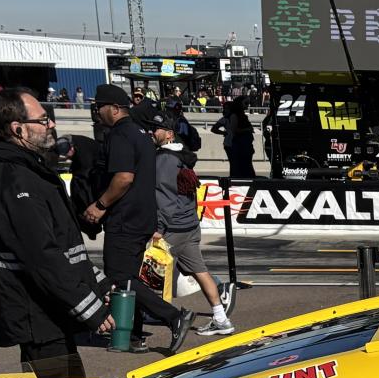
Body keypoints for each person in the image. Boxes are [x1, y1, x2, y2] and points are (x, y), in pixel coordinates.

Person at [0, 87, 112, 378]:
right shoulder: (15, 183)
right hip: (37, 319)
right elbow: (43, 257)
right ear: (18, 129)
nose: (51, 125)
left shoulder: (34, 173)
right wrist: (90, 307)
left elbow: (65, 248)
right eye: (43, 120)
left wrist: (99, 284)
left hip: (52, 314)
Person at [86, 87, 191, 353]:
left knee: (119, 277)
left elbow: (123, 178)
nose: (96, 112)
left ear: (114, 108)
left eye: (99, 106)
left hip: (125, 218)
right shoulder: (142, 136)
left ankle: (173, 317)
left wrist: (100, 206)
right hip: (142, 218)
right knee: (131, 279)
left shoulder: (120, 135)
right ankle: (133, 336)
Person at [149, 116, 235, 338]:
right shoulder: (182, 157)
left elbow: (165, 196)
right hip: (189, 226)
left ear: (169, 134)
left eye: (157, 129)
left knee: (146, 269)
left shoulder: (165, 159)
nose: (152, 132)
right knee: (200, 271)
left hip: (173, 228)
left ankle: (152, 312)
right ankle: (221, 318)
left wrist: (159, 226)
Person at [212, 95, 255, 179]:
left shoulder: (231, 117)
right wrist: (248, 129)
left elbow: (215, 129)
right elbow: (234, 131)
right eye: (246, 103)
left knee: (237, 165)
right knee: (238, 165)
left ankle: (236, 180)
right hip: (235, 144)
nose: (247, 105)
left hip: (235, 143)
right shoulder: (234, 116)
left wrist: (224, 133)